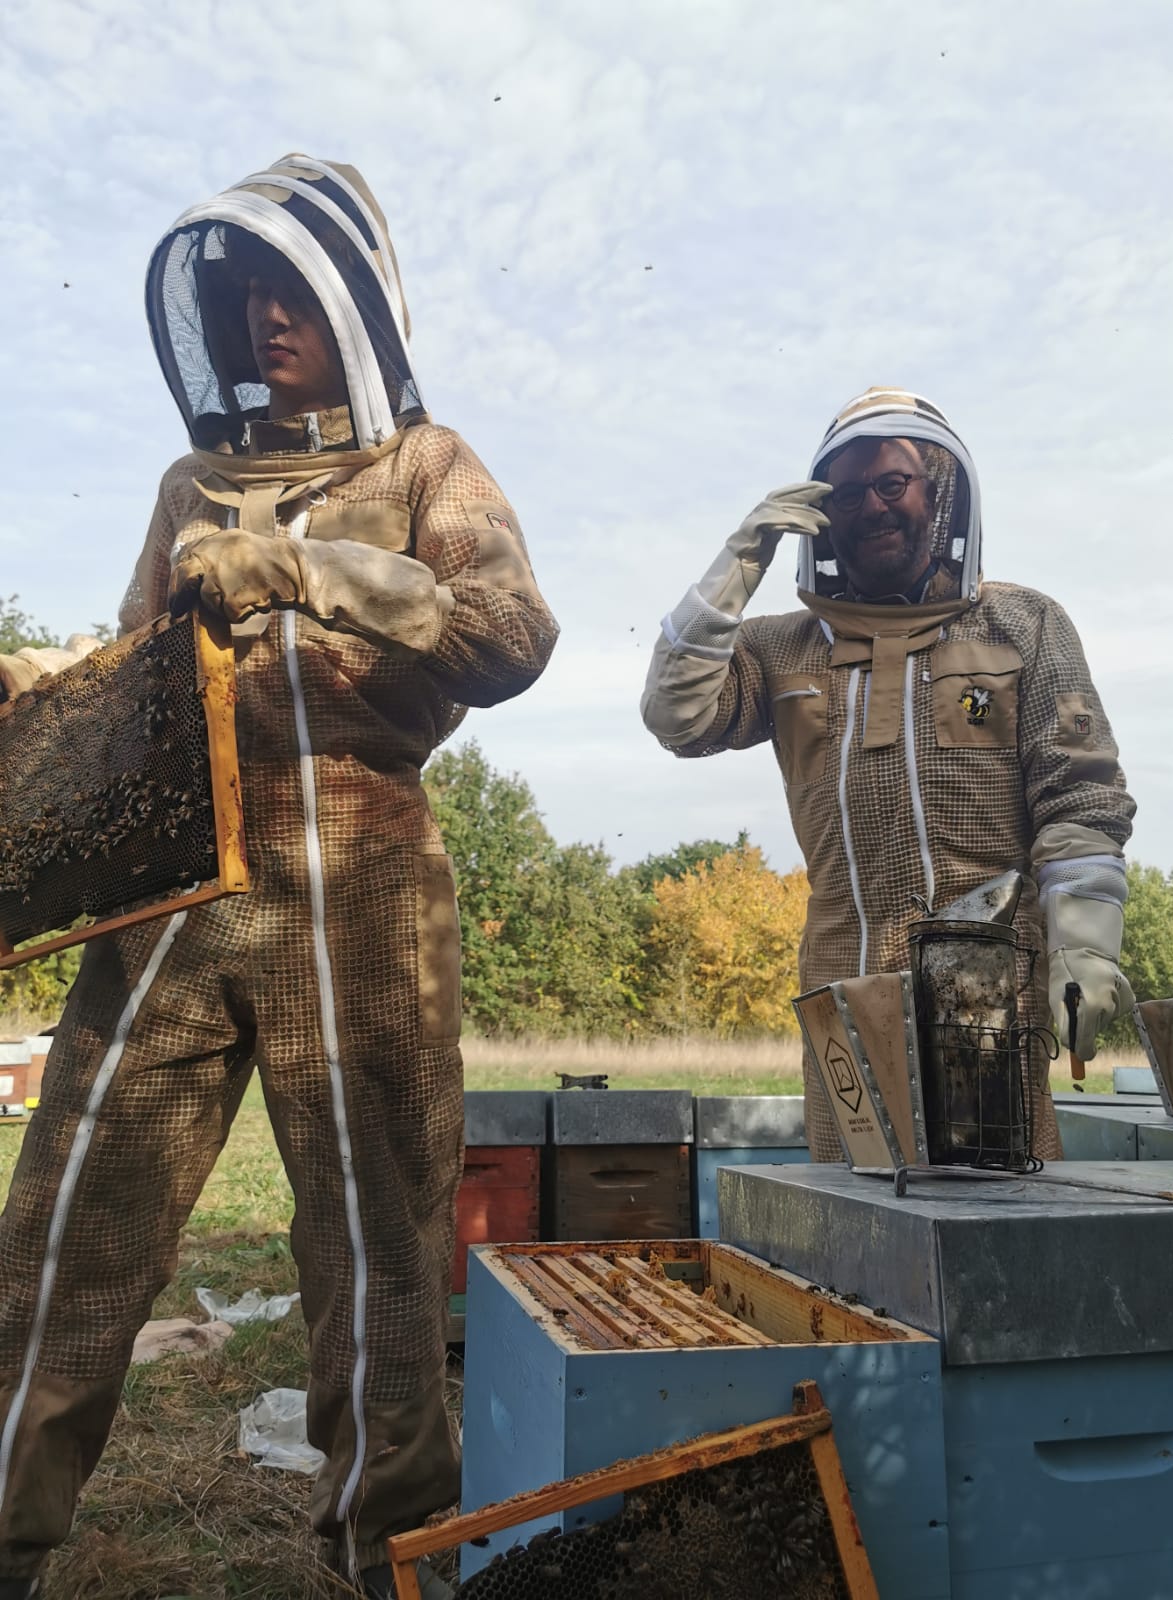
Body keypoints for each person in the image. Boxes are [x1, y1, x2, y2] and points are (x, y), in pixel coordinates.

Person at [0, 155, 558, 1600]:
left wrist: (321, 576)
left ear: (357, 304)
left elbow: (512, 632)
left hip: (363, 884)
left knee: (379, 1251)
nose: (264, 320)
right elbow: (138, 678)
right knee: (67, 1221)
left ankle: (388, 1562)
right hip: (178, 891)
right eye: (243, 298)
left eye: (290, 292)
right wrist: (42, 682)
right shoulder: (191, 485)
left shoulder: (427, 468)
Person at [641, 386, 1135, 1163]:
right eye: (847, 493)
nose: (871, 505)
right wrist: (734, 569)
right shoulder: (780, 647)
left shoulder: (1023, 622)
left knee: (996, 1197)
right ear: (821, 517)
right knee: (853, 1205)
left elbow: (1081, 793)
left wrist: (1085, 941)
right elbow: (677, 717)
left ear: (938, 494)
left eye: (892, 483)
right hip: (839, 980)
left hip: (987, 984)